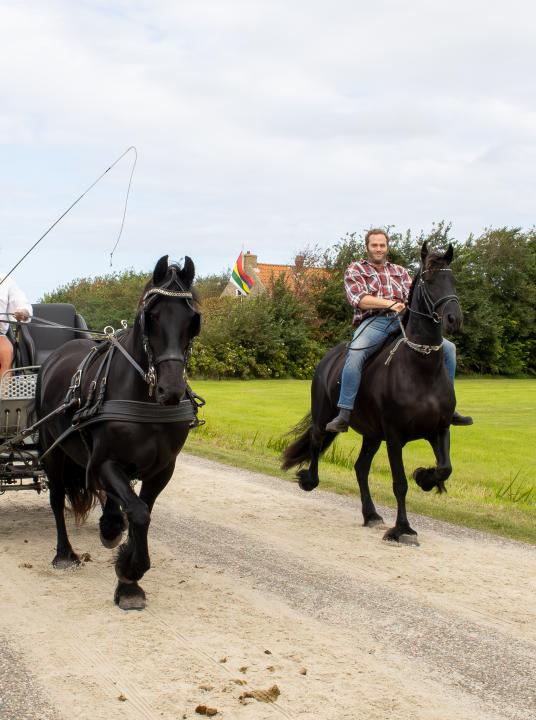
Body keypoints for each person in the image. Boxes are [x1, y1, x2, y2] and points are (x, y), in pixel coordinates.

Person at [326, 229, 473, 432]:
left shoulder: (400, 271)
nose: (378, 249)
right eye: (374, 245)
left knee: (448, 349)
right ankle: (344, 412)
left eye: (382, 245)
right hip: (374, 321)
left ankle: (449, 407)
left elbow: (414, 297)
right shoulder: (356, 269)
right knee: (356, 352)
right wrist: (388, 303)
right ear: (367, 247)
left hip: (404, 321)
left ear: (387, 247)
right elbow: (358, 299)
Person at [0, 272, 32, 377]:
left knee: (6, 351)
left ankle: (3, 392)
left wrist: (23, 313)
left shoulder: (5, 280)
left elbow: (21, 303)